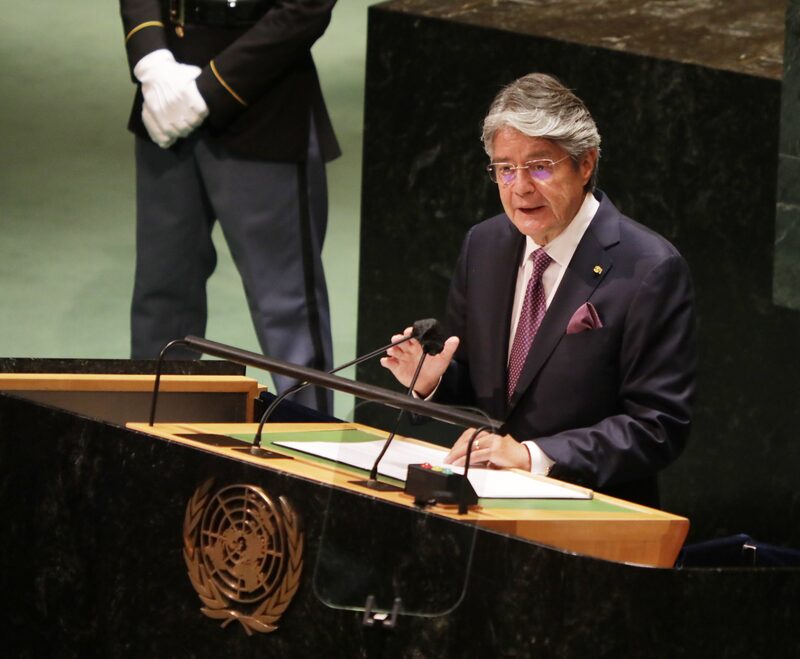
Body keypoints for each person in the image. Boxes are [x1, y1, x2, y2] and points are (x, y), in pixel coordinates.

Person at [381, 73, 696, 507]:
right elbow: (483, 386)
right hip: (482, 507)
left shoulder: (649, 268)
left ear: (585, 164)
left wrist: (533, 455)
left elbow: (657, 425)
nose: (521, 187)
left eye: (540, 166)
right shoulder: (485, 245)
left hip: (590, 517)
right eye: (505, 169)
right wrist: (432, 383)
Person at [119, 0, 340, 412]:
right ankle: (151, 449)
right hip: (165, 95)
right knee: (159, 300)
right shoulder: (161, 82)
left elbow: (307, 6)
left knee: (287, 312)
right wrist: (150, 58)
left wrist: (209, 92)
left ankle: (311, 456)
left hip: (263, 91)